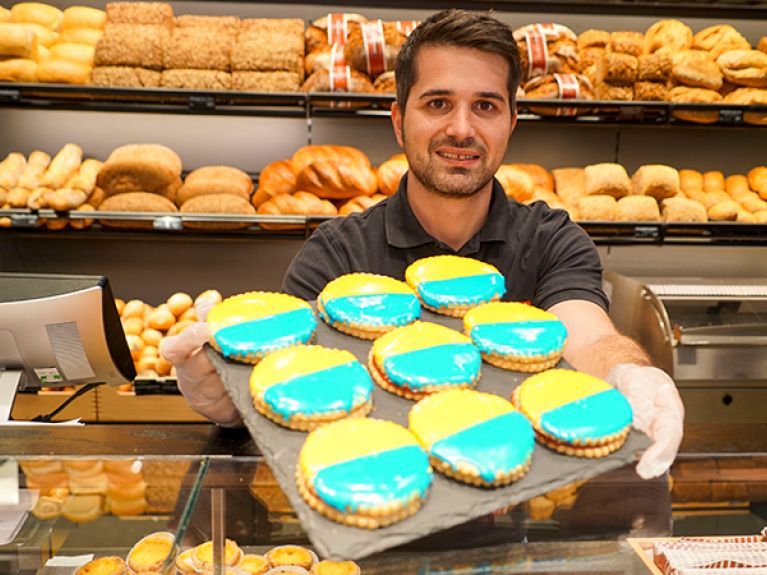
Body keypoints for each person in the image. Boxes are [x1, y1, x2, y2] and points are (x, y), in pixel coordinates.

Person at [161, 9, 684, 481]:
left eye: (485, 106)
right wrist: (229, 396)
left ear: (510, 124)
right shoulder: (339, 253)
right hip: (371, 501)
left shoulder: (550, 238)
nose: (462, 128)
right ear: (398, 121)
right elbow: (289, 375)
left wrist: (629, 372)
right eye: (438, 103)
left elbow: (587, 335)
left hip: (524, 512)